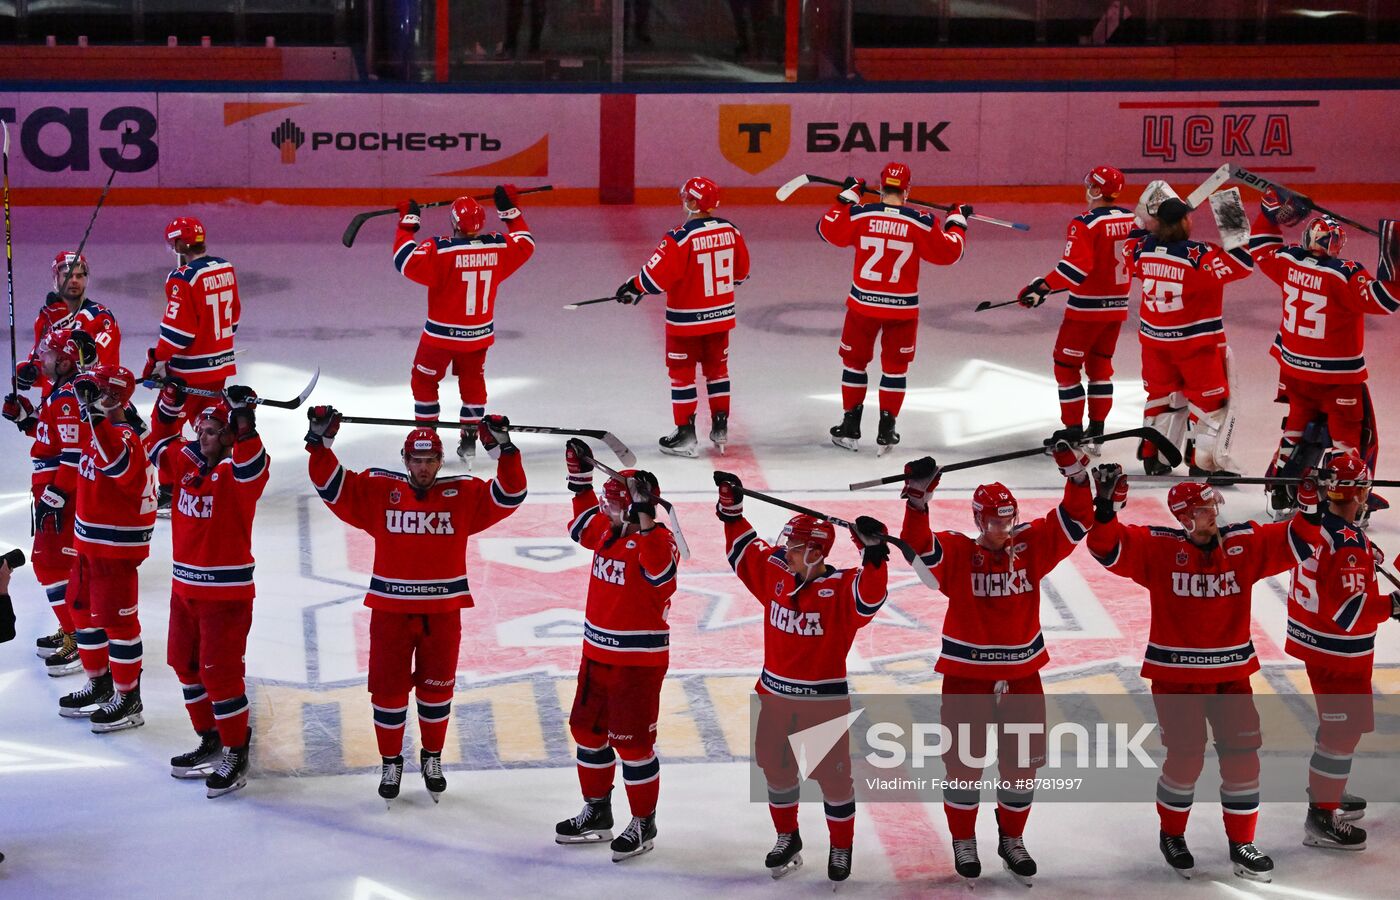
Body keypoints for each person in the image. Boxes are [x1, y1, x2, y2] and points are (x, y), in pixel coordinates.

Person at [1086, 467, 1320, 882]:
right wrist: (1105, 508)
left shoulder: (1243, 543)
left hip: (1232, 674)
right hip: (1176, 676)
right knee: (1186, 759)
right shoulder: (1159, 548)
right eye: (1201, 510)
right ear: (1182, 517)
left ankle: (1242, 842)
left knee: (1244, 757)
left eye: (1213, 506)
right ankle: (1172, 833)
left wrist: (1310, 503)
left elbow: (1299, 539)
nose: (1211, 514)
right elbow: (1106, 549)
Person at [305, 407, 526, 803]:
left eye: (430, 461)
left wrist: (504, 449)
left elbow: (510, 495)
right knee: (388, 692)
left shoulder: (462, 494)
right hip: (389, 611)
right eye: (417, 461)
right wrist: (320, 442)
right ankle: (392, 761)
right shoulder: (378, 490)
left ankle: (432, 756)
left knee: (437, 691)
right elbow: (332, 486)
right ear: (404, 460)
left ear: (441, 461)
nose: (423, 469)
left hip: (443, 613)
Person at [899, 441, 1093, 885]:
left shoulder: (1031, 545)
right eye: (993, 522)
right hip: (967, 677)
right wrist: (917, 500)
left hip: (1023, 674)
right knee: (964, 765)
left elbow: (1077, 518)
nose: (1003, 529)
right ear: (977, 521)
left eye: (1008, 520)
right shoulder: (960, 553)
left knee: (1022, 764)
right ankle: (964, 841)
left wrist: (1076, 474)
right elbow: (918, 548)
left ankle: (1012, 838)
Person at [716, 471, 888, 885]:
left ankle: (841, 846)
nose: (785, 552)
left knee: (832, 780)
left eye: (793, 547)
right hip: (773, 695)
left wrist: (874, 552)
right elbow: (744, 549)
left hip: (822, 704)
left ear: (815, 552)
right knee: (774, 769)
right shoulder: (776, 575)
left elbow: (871, 595)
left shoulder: (842, 588)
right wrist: (731, 507)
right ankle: (787, 836)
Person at [554, 441, 679, 862]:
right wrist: (579, 479)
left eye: (613, 505)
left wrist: (645, 517)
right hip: (596, 656)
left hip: (636, 664)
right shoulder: (607, 531)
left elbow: (659, 570)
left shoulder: (658, 540)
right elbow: (580, 524)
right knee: (588, 734)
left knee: (633, 745)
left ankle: (644, 821)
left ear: (635, 510)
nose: (604, 511)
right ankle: (597, 812)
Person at [147, 382, 269, 798]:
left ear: (232, 435)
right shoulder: (185, 460)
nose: (205, 436)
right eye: (202, 428)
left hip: (226, 596)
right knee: (184, 664)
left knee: (220, 674)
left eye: (216, 430)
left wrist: (245, 419)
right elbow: (157, 442)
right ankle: (210, 736)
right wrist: (171, 402)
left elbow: (254, 463)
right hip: (184, 589)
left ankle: (236, 749)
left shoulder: (240, 471)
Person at [1249, 190, 1400, 517]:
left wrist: (1269, 212)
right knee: (1347, 440)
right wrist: (1395, 257)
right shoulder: (1344, 274)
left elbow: (1260, 248)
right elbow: (1386, 300)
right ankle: (1347, 504)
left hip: (1294, 371)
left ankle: (1279, 491)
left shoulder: (1287, 261)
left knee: (1295, 427)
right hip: (1338, 379)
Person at [1283, 450, 1399, 850]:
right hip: (1340, 654)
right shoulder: (1349, 543)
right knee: (1342, 731)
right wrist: (1393, 606)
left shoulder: (1316, 526)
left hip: (1318, 645)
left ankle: (1327, 790)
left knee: (1337, 729)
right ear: (1360, 491)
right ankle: (1322, 815)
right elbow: (1350, 612)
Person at [820, 163, 970, 453]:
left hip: (863, 306)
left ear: (881, 185)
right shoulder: (921, 221)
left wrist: (847, 196)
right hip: (901, 311)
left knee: (854, 364)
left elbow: (828, 230)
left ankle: (850, 425)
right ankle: (887, 429)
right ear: (907, 190)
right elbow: (951, 252)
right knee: (895, 370)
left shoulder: (861, 213)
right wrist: (957, 219)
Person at [394, 187, 534, 464]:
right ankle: (469, 438)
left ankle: (427, 437)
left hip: (440, 336)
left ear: (454, 223)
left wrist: (407, 225)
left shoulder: (440, 250)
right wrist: (510, 212)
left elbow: (404, 260)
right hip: (479, 335)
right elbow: (525, 242)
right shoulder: (498, 246)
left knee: (424, 381)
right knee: (473, 384)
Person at [615, 177, 750, 457]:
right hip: (721, 317)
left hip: (686, 321)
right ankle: (720, 427)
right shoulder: (731, 230)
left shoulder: (680, 236)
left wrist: (632, 286)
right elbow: (741, 274)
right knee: (717, 372)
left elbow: (653, 279)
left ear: (692, 201)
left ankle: (686, 435)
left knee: (682, 376)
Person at [57, 364, 159, 733]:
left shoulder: (124, 437)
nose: (87, 392)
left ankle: (128, 697)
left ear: (113, 396)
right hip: (89, 545)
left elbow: (116, 465)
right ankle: (99, 682)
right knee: (81, 612)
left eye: (96, 389)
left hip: (114, 550)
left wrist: (96, 414)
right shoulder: (104, 429)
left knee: (118, 624)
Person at [1125, 196, 1253, 476]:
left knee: (1162, 396)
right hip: (1195, 345)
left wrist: (1146, 206)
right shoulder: (1200, 256)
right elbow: (1243, 264)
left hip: (1154, 343)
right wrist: (1229, 210)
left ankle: (1154, 455)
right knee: (1210, 404)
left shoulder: (1141, 250)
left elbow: (1130, 236)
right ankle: (1205, 462)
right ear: (1184, 222)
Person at [1018, 166, 1137, 451]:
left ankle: (1073, 431)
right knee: (1100, 369)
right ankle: (1097, 430)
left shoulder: (1084, 223)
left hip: (1085, 312)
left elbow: (1074, 269)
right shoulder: (1134, 221)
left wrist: (1041, 287)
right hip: (1118, 308)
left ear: (1095, 190)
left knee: (1066, 366)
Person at [3, 329, 96, 676]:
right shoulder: (60, 391)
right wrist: (25, 418)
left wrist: (56, 496)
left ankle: (77, 637)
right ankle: (72, 626)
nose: (41, 359)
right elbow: (50, 436)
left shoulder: (70, 397)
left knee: (49, 564)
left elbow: (73, 452)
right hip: (51, 485)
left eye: (49, 354)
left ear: (67, 360)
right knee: (55, 565)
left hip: (59, 490)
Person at [143, 217, 240, 426]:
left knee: (163, 429)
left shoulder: (182, 278)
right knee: (209, 427)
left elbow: (178, 333)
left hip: (189, 374)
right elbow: (233, 319)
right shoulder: (226, 267)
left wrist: (155, 360)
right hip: (220, 368)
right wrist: (215, 347)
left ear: (179, 245)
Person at [14, 250, 120, 394]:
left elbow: (96, 368)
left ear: (86, 279)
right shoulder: (44, 319)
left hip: (91, 409)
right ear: (56, 279)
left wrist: (63, 323)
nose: (74, 280)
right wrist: (30, 372)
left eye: (79, 276)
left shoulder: (100, 317)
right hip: (54, 407)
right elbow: (45, 367)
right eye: (67, 275)